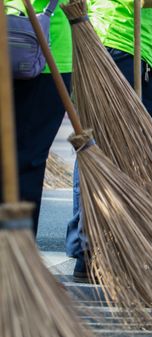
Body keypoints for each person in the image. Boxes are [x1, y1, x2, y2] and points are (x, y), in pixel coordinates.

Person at [67, 0, 152, 282]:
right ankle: (91, 251)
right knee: (104, 151)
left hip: (142, 53)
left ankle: (107, 248)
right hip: (119, 49)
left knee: (120, 154)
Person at [4, 0, 72, 233]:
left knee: (27, 159)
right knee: (27, 160)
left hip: (48, 57)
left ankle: (16, 249)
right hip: (44, 54)